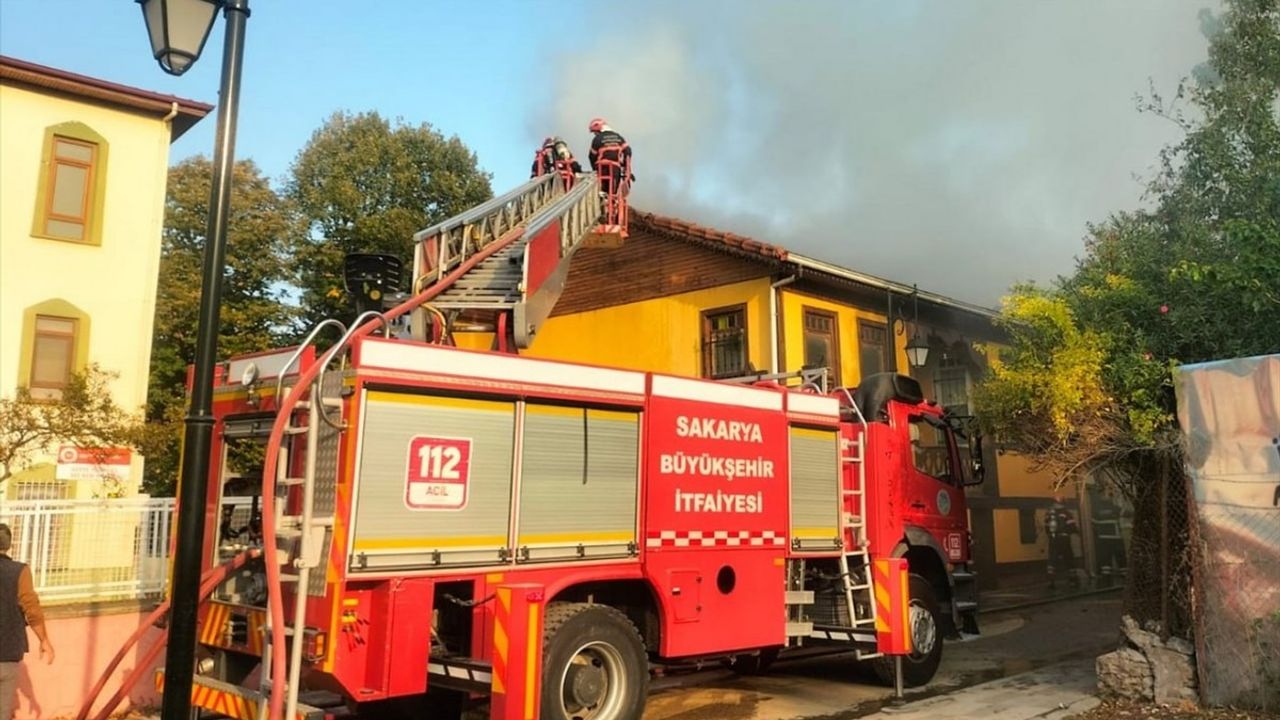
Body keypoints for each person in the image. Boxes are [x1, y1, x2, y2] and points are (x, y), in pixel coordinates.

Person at [1, 523, 54, 720]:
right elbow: (31, 608)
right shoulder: (19, 571)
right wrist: (44, 640)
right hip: (8, 652)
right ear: (9, 546)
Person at [587, 118, 634, 197]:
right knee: (612, 193)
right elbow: (628, 151)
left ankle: (603, 201)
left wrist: (594, 169)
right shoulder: (619, 137)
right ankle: (611, 203)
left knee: (602, 192)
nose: (595, 134)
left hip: (601, 168)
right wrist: (626, 168)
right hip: (615, 169)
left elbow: (591, 156)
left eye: (594, 132)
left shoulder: (597, 139)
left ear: (599, 130)